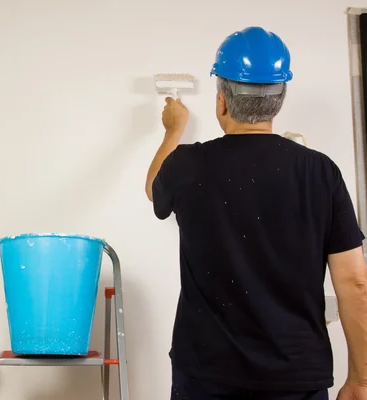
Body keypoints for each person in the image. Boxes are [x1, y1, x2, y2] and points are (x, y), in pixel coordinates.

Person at [145, 26, 367, 400]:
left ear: (222, 101)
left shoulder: (187, 165)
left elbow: (155, 190)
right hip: (296, 378)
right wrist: (361, 380)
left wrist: (173, 131)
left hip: (206, 375)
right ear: (279, 99)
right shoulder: (319, 171)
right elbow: (355, 284)